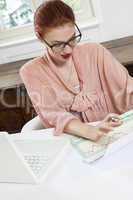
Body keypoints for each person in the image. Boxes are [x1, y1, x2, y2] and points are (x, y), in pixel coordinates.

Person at [20, 0, 133, 142]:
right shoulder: (31, 71)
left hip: (117, 134)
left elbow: (127, 88)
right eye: (58, 45)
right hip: (74, 143)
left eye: (72, 39)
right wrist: (91, 131)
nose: (68, 49)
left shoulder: (95, 51)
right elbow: (54, 115)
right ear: (39, 37)